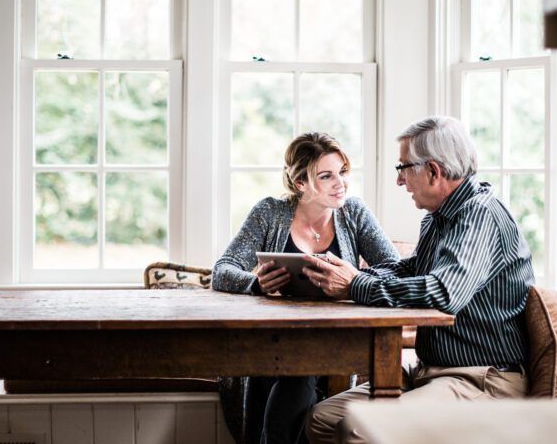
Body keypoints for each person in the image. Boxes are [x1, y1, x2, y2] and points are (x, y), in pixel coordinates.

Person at [301, 116, 535, 444]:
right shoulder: (437, 219)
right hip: (432, 371)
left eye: (403, 168)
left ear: (434, 171)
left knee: (361, 429)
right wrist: (349, 276)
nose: (400, 181)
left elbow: (443, 293)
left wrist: (355, 285)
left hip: (482, 379)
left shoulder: (480, 216)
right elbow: (413, 270)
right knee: (322, 419)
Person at [213, 132, 400, 444]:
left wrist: (354, 279)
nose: (340, 183)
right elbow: (222, 270)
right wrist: (255, 284)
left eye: (342, 172)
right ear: (300, 182)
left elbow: (395, 271)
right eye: (326, 176)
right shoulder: (269, 213)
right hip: (271, 342)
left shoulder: (354, 213)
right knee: (296, 375)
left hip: (332, 343)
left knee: (301, 370)